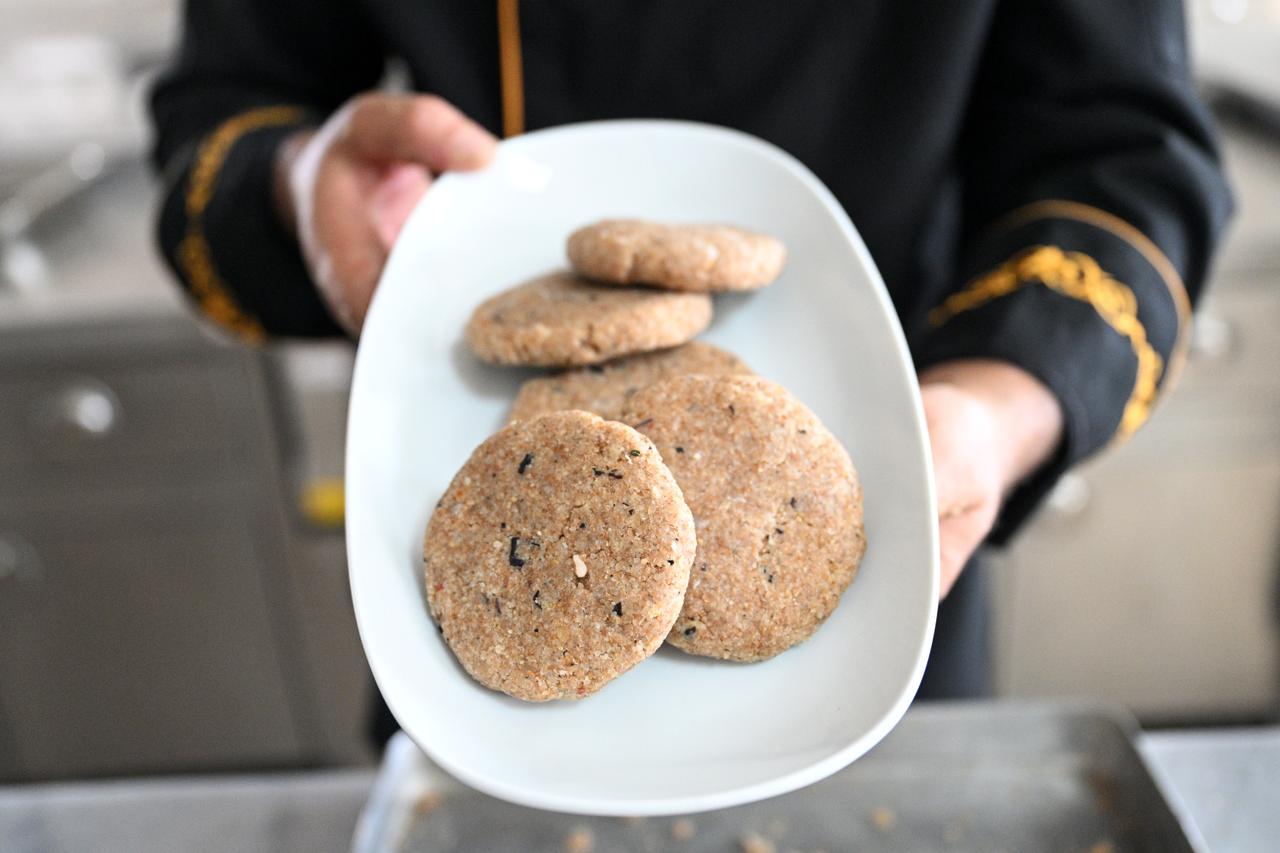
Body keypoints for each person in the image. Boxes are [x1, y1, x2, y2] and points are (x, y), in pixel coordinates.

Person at [149, 2, 1232, 704]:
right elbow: (219, 117)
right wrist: (298, 183)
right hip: (469, 554)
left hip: (895, 528)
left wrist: (992, 407)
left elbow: (1126, 158)